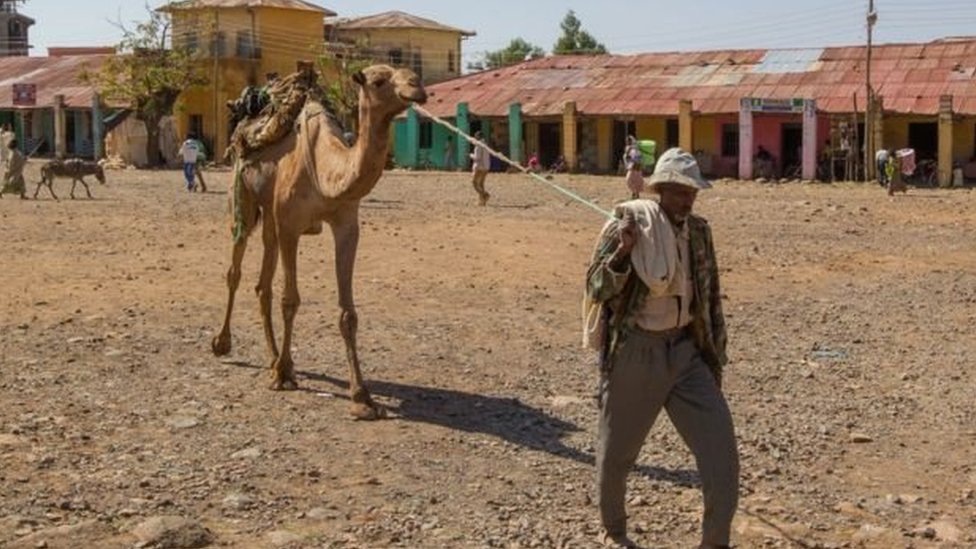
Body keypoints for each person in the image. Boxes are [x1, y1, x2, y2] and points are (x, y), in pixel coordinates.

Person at [584, 147, 738, 549]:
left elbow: (711, 297)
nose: (687, 200)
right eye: (679, 192)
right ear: (660, 190)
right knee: (616, 454)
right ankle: (614, 531)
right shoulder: (629, 224)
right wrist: (624, 251)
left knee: (721, 454)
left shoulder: (699, 232)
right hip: (637, 351)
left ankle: (715, 543)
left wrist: (715, 356)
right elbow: (596, 287)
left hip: (686, 351)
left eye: (692, 192)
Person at [470, 131, 491, 206]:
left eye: (476, 136)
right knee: (481, 184)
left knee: (474, 183)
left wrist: (471, 155)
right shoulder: (485, 144)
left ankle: (485, 195)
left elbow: (477, 157)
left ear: (478, 137)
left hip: (480, 167)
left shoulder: (478, 146)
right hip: (486, 167)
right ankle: (482, 202)